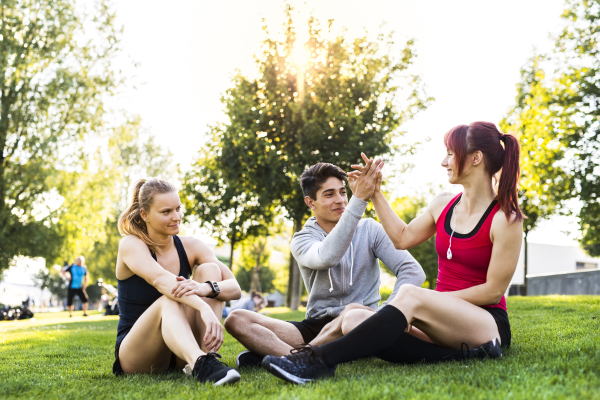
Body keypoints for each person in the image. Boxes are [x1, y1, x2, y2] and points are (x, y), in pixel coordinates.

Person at [262, 121, 524, 384]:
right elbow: (402, 238)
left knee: (410, 294)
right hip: (438, 320)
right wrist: (374, 192)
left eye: (451, 153)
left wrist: (425, 304)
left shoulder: (506, 219)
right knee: (353, 318)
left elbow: (492, 291)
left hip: (486, 324)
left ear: (476, 158)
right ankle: (461, 356)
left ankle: (317, 360)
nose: (444, 162)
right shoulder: (443, 204)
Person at [225, 162, 426, 369]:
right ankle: (300, 359)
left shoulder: (370, 230)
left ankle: (286, 357)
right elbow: (327, 257)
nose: (340, 200)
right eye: (329, 194)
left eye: (342, 192)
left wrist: (386, 314)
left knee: (352, 310)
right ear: (310, 202)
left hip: (359, 321)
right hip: (316, 327)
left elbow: (412, 271)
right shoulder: (301, 240)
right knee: (236, 319)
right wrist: (359, 201)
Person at [112, 178, 242, 385]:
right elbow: (162, 281)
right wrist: (204, 308)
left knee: (211, 270)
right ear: (144, 215)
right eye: (166, 212)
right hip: (138, 354)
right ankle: (201, 364)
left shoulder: (192, 246)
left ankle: (208, 357)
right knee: (169, 300)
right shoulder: (131, 244)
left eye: (178, 209)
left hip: (179, 348)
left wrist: (204, 288)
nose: (176, 217)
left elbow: (235, 288)